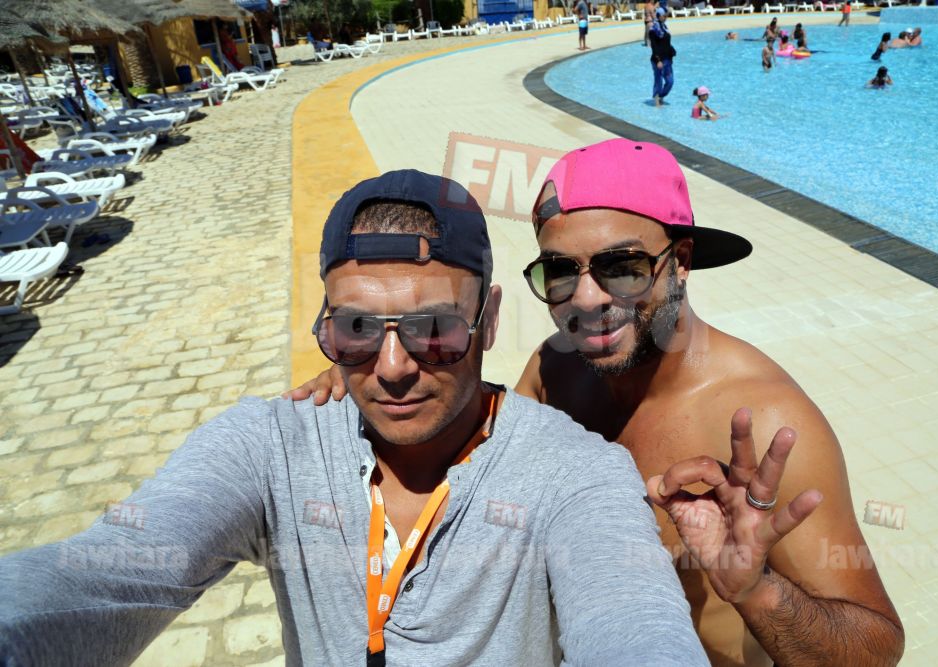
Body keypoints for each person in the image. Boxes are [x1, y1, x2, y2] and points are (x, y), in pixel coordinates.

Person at [0, 171, 710, 666]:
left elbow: (633, 628)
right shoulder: (273, 446)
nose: (393, 366)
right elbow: (100, 577)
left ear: (489, 320)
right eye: (357, 329)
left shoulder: (576, 473)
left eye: (435, 329)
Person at [292, 141, 906, 666]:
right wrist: (379, 360)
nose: (586, 299)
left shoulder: (761, 423)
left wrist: (755, 589)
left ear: (680, 261)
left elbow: (877, 645)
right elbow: (479, 445)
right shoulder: (557, 368)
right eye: (560, 271)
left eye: (622, 266)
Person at [648, 7, 676, 107]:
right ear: (659, 16)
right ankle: (656, 100)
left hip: (667, 59)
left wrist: (672, 50)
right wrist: (658, 60)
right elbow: (654, 46)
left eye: (666, 15)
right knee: (658, 80)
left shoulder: (664, 27)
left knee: (670, 81)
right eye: (664, 15)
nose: (666, 17)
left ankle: (661, 96)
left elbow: (666, 43)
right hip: (658, 60)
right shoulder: (653, 30)